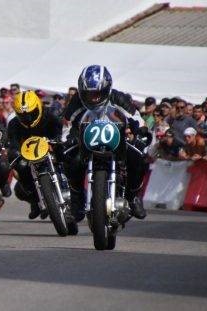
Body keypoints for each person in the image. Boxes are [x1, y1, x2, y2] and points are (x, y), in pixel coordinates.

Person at [63, 65, 149, 226]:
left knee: (138, 159)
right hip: (86, 143)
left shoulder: (118, 98)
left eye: (98, 93)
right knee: (71, 161)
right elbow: (67, 125)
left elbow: (137, 118)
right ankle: (77, 200)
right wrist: (68, 139)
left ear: (107, 89)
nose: (94, 97)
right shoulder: (76, 102)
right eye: (89, 93)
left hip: (117, 141)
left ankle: (133, 197)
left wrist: (142, 132)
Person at [7, 90, 65, 219]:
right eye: (23, 116)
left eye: (31, 114)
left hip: (51, 147)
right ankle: (35, 201)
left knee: (68, 157)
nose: (27, 118)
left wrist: (57, 140)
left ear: (38, 107)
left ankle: (74, 190)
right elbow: (12, 143)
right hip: (30, 155)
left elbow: (60, 130)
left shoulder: (51, 115)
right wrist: (15, 152)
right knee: (19, 187)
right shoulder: (14, 124)